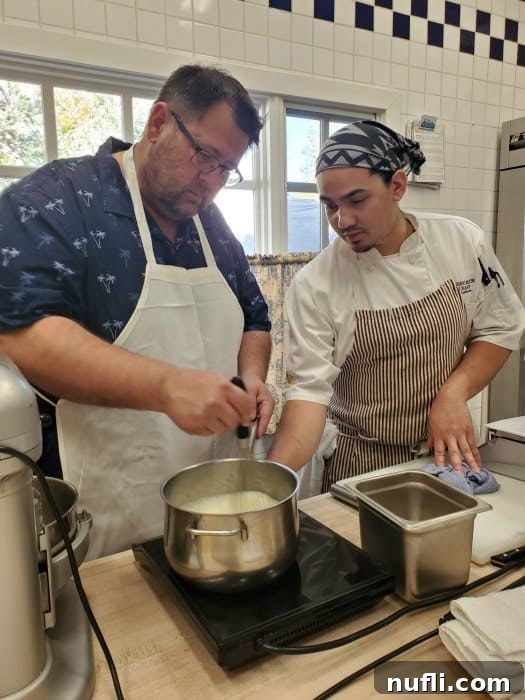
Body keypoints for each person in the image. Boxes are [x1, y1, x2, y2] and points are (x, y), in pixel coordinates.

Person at [0, 64, 274, 557]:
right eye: (205, 156)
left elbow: (255, 317)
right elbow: (21, 331)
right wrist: (166, 387)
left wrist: (251, 377)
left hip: (209, 506)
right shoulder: (60, 198)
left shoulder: (211, 226)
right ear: (158, 123)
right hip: (102, 512)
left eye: (225, 170)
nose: (210, 183)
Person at [267, 120, 525, 492]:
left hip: (446, 457)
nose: (342, 221)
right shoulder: (316, 284)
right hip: (359, 466)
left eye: (356, 201)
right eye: (329, 206)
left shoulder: (460, 241)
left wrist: (454, 392)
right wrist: (266, 484)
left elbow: (499, 327)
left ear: (398, 186)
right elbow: (309, 394)